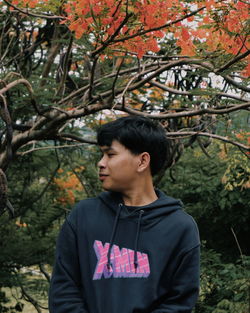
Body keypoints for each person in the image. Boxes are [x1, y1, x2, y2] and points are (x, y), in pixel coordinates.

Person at [49, 115, 200, 313]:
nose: (101, 163)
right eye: (101, 154)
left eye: (110, 154)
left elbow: (178, 303)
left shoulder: (180, 227)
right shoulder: (83, 216)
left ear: (142, 161)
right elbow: (63, 292)